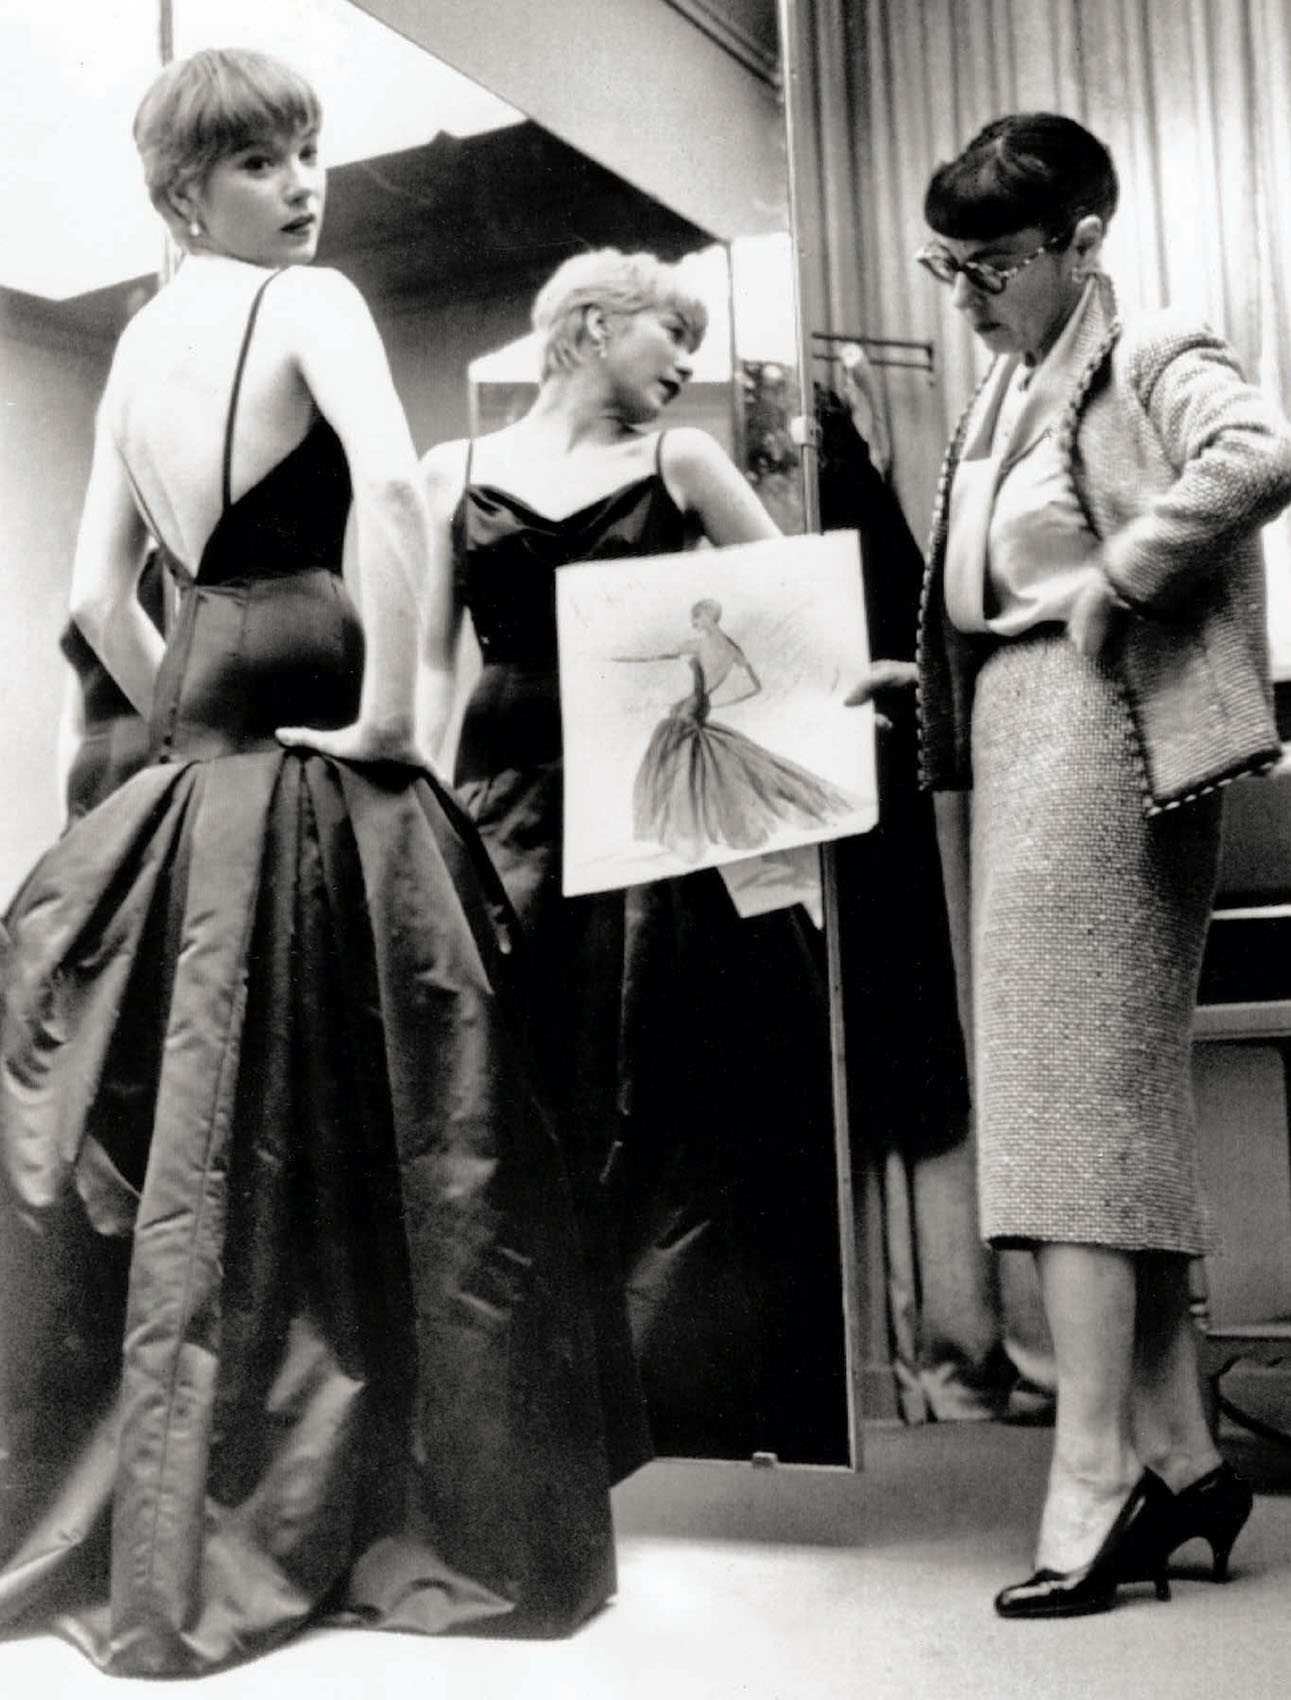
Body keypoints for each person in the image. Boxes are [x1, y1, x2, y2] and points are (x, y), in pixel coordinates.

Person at [0, 49, 614, 1679]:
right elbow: (401, 503)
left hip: (201, 770)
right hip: (330, 766)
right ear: (187, 191)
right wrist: (394, 721)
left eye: (309, 150)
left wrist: (195, 723)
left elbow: (93, 606)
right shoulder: (314, 305)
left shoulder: (136, 351)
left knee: (223, 1128)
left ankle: (238, 1501)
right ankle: (364, 1500)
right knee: (403, 1122)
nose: (302, 183)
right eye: (263, 160)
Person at [914, 110, 1291, 1617]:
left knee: (1070, 1128)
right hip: (1020, 739)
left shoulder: (1145, 347)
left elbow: (1259, 450)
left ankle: (1090, 1480)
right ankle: (1181, 1457)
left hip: (1101, 740)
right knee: (1083, 1122)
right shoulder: (1006, 381)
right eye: (950, 269)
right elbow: (997, 581)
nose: (967, 296)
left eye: (992, 263)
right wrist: (927, 670)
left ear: (1082, 239)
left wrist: (1123, 576)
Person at [421, 249, 849, 1469]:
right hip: (505, 809)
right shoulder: (451, 472)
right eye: (672, 336)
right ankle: (537, 1420)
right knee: (525, 1096)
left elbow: (795, 612)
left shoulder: (687, 462)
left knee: (672, 1097)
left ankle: (674, 1412)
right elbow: (425, 677)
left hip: (654, 814)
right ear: (594, 325)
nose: (685, 365)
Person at [619, 596, 857, 862]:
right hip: (699, 704)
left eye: (696, 617)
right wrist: (713, 701)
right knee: (693, 761)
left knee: (678, 759)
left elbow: (659, 655)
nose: (693, 623)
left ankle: (683, 830)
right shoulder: (732, 648)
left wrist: (620, 658)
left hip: (692, 704)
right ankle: (687, 826)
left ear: (708, 615)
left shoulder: (699, 645)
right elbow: (755, 686)